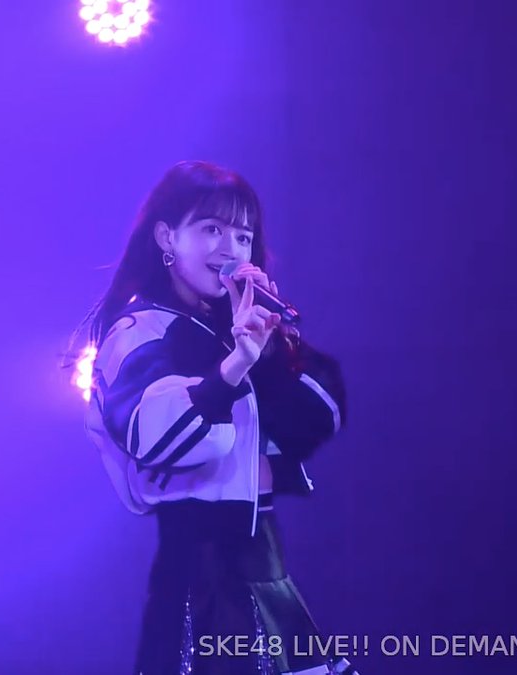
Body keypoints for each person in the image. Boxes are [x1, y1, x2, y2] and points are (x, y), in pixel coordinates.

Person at [81, 161, 353, 675]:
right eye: (212, 229)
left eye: (243, 237)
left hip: (265, 568)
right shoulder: (139, 332)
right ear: (167, 237)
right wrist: (232, 369)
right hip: (200, 580)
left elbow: (323, 415)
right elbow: (156, 434)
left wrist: (268, 352)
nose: (230, 249)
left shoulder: (238, 332)